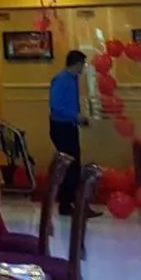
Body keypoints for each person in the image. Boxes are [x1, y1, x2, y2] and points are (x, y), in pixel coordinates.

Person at [49, 49, 101, 217]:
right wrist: (75, 116)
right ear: (77, 63)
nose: (83, 68)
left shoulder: (73, 79)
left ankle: (73, 203)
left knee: (74, 165)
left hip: (69, 125)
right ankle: (67, 205)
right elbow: (55, 105)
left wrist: (78, 119)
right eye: (83, 64)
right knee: (70, 166)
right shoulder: (62, 79)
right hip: (61, 127)